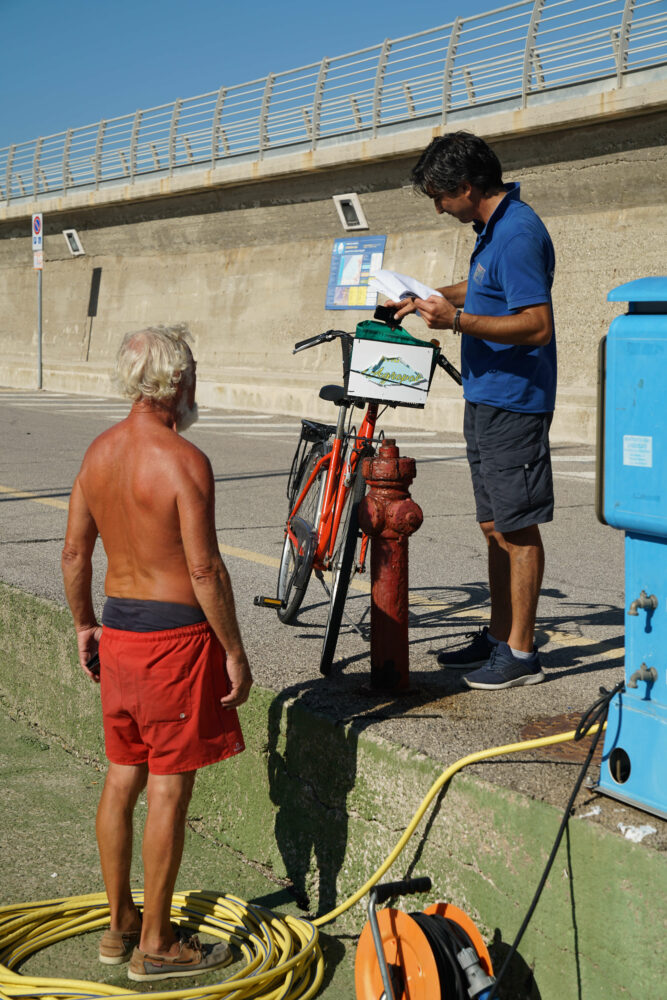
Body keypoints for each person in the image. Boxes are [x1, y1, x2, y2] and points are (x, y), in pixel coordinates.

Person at [61, 324, 252, 981]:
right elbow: (205, 571)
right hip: (174, 646)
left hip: (117, 635)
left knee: (122, 776)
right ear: (176, 380)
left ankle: (117, 930)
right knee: (167, 790)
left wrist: (86, 625)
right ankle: (157, 945)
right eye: (191, 372)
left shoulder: (97, 454)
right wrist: (234, 650)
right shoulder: (182, 460)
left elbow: (74, 554)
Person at [388, 131, 556, 691]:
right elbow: (483, 289)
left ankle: (523, 655)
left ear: (465, 187)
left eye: (439, 196)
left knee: (516, 527)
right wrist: (427, 296)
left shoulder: (517, 234)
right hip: (485, 396)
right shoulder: (491, 230)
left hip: (515, 402)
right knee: (492, 524)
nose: (438, 207)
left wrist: (454, 323)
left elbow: (536, 324)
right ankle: (500, 634)